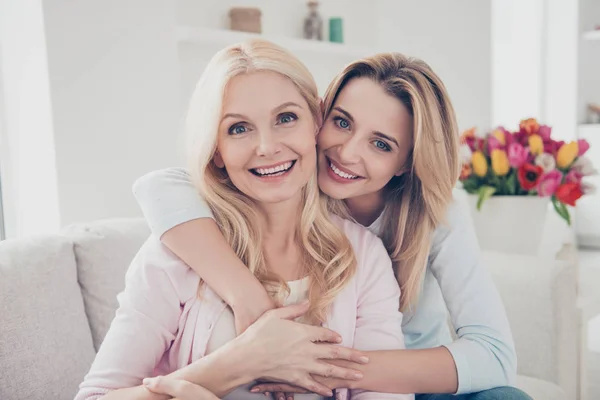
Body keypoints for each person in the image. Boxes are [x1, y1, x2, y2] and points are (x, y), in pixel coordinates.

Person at [133, 51, 533, 400]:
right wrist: (244, 293)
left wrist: (313, 365)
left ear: (408, 162)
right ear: (318, 115)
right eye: (342, 123)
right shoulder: (287, 176)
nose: (346, 152)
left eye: (381, 144)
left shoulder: (433, 213)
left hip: (403, 378)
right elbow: (160, 185)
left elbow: (494, 355)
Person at [75, 38, 412, 400]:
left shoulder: (362, 256)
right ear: (216, 150)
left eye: (286, 118)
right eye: (238, 128)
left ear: (316, 121)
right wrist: (242, 360)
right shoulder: (176, 253)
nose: (266, 146)